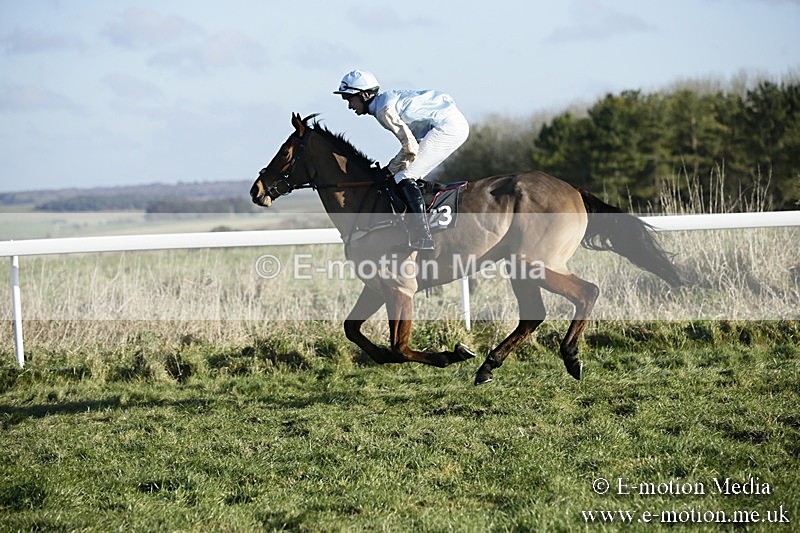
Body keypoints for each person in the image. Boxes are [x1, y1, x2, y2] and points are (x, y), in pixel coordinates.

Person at [334, 69, 469, 250]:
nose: (349, 105)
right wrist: (392, 168)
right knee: (405, 174)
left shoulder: (383, 111)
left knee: (403, 177)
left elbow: (410, 147)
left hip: (447, 128)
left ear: (365, 95)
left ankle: (423, 236)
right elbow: (410, 146)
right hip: (446, 124)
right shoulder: (384, 103)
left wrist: (390, 170)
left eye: (349, 98)